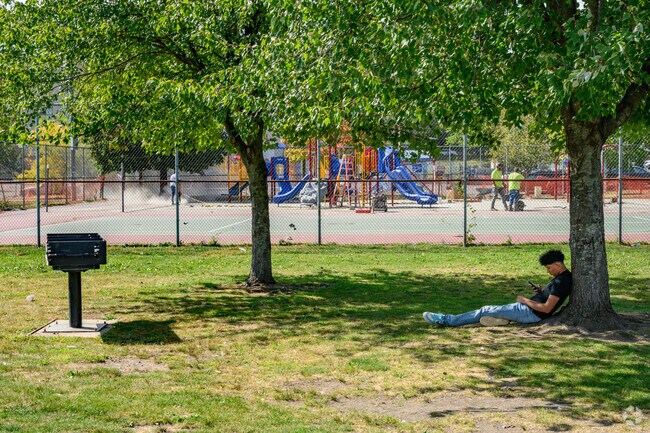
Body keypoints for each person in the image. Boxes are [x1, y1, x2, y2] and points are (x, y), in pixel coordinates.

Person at [423, 249, 572, 327]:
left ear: (558, 265)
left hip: (529, 313)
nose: (548, 271)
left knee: (485, 310)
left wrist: (525, 300)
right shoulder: (562, 278)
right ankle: (501, 319)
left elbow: (546, 308)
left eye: (549, 268)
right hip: (527, 310)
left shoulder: (561, 282)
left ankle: (446, 320)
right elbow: (550, 297)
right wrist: (541, 292)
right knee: (492, 310)